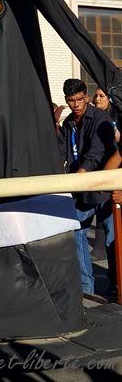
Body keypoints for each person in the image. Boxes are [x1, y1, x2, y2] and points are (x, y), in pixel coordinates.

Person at [61, 78, 117, 296]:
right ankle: (86, 286)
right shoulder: (68, 124)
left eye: (79, 99)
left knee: (112, 238)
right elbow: (63, 152)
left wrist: (80, 175)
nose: (76, 105)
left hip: (104, 187)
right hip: (81, 190)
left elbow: (97, 152)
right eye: (71, 100)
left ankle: (116, 285)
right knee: (77, 233)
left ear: (86, 97)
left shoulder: (101, 118)